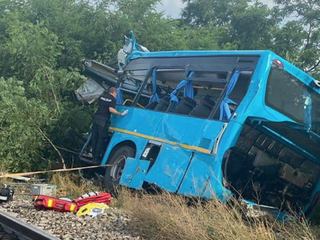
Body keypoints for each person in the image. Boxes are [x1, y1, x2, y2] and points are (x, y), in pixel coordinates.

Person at [91, 87, 128, 162]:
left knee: (94, 137)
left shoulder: (102, 96)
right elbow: (111, 109)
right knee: (100, 139)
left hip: (96, 117)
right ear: (114, 93)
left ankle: (92, 155)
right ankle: (96, 158)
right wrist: (120, 113)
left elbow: (97, 105)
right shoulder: (113, 99)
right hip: (103, 120)